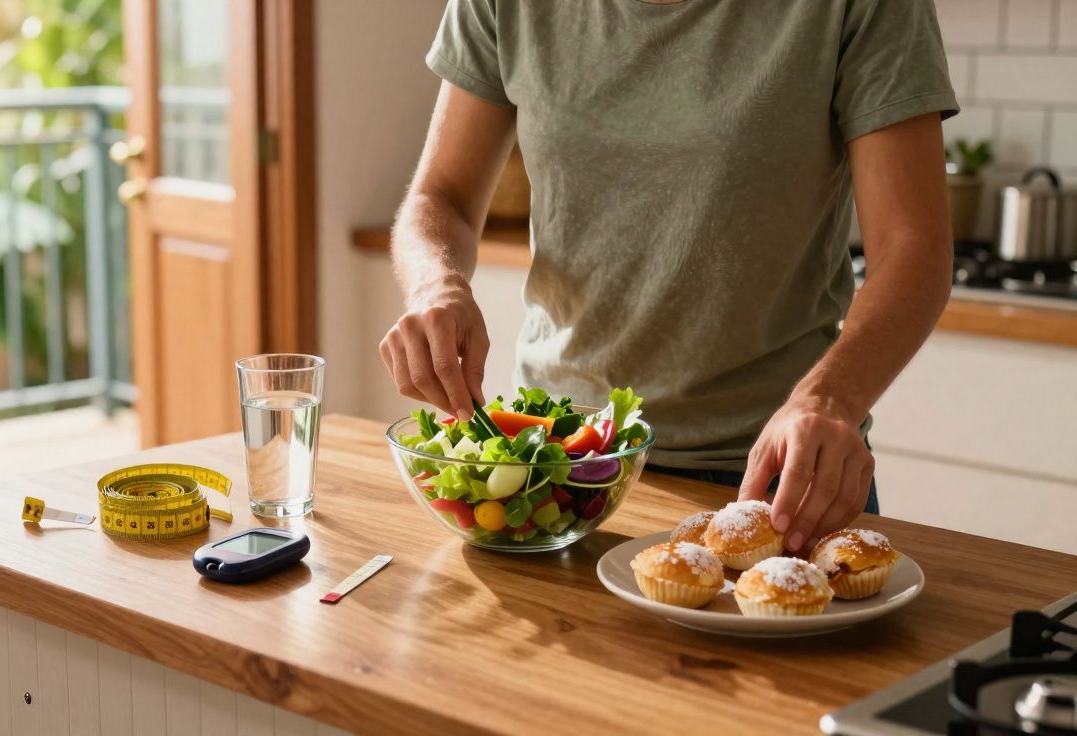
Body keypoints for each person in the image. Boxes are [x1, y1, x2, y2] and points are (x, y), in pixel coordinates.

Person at [379, 0, 958, 553]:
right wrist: (438, 284)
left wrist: (829, 399)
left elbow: (913, 247)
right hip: (557, 469)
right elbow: (442, 196)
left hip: (773, 478)